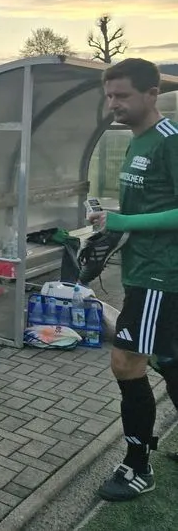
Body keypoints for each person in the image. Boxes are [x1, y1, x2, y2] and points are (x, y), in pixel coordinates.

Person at [86, 58, 178, 502]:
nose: (113, 104)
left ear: (151, 94)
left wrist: (125, 222)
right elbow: (144, 210)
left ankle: (138, 466)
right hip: (143, 270)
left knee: (126, 363)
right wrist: (111, 228)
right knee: (169, 358)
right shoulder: (136, 141)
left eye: (122, 95)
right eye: (109, 96)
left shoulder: (170, 141)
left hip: (162, 275)